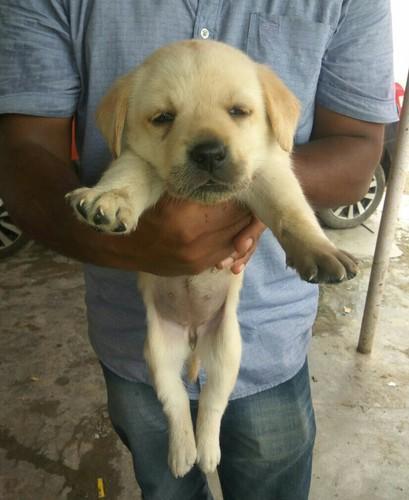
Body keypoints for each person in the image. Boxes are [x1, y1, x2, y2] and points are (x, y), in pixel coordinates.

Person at [0, 1, 397, 499]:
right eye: (164, 117)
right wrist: (120, 224)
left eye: (237, 111)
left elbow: (345, 149)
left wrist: (275, 216)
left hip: (269, 332)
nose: (207, 145)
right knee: (164, 486)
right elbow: (28, 152)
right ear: (124, 120)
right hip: (129, 334)